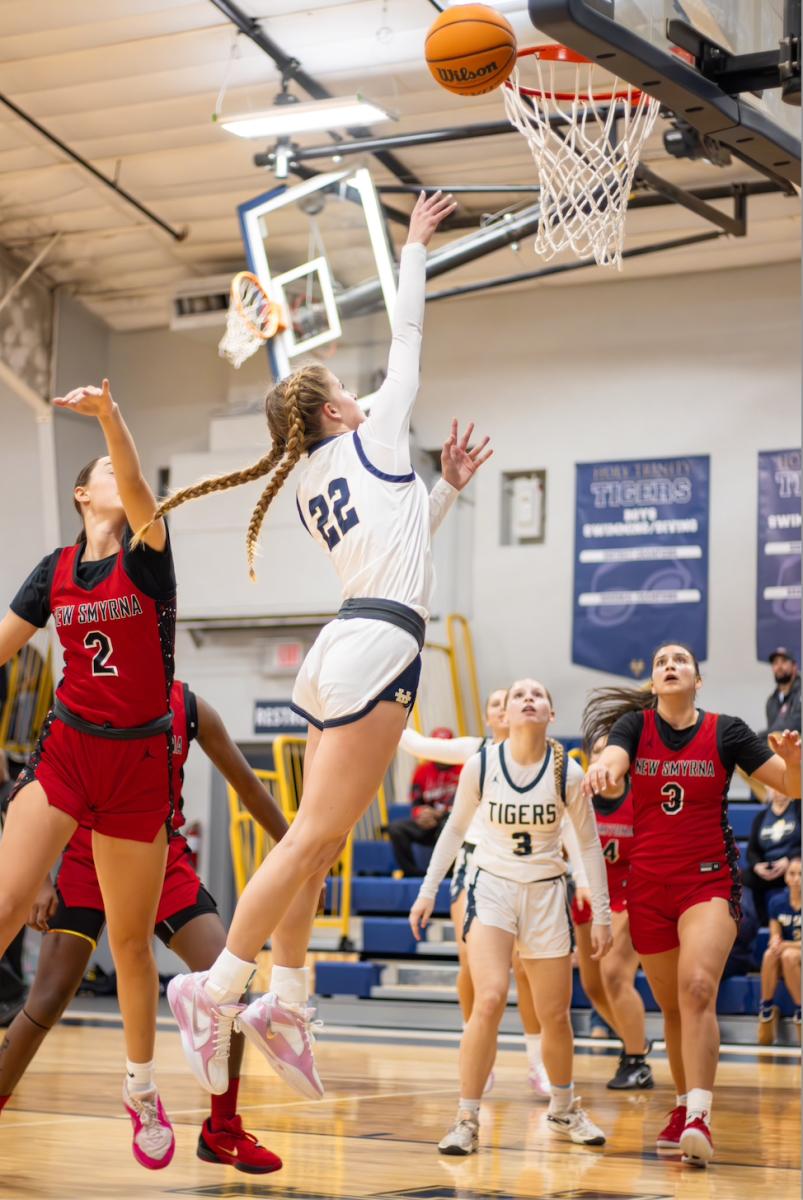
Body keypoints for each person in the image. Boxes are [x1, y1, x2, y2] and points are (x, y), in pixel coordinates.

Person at [133, 190, 492, 1101]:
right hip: (376, 644)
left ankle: (286, 1000)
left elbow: (399, 549)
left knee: (312, 840)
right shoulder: (367, 436)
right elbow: (406, 341)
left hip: (349, 634)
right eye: (345, 391)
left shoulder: (316, 477)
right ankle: (214, 992)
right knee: (313, 841)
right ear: (336, 412)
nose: (361, 396)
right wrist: (411, 248)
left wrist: (440, 489)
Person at [0, 382, 183, 1169]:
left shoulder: (149, 551)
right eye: (106, 466)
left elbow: (140, 486)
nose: (123, 474)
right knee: (7, 902)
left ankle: (141, 1088)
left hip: (138, 765)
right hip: (70, 750)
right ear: (82, 493)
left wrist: (112, 416)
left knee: (135, 946)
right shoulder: (54, 570)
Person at [0, 680, 289, 1173]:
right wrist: (43, 880)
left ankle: (221, 1129)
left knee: (230, 981)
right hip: (83, 859)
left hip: (159, 856)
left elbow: (249, 788)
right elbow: (26, 796)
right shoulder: (79, 699)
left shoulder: (191, 708)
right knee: (45, 1001)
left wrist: (299, 856)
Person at [582, 642, 801, 1168]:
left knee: (699, 988)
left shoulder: (727, 731)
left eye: (680, 660)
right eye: (661, 663)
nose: (670, 666)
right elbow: (613, 756)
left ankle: (700, 1115)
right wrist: (606, 770)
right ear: (654, 683)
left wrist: (793, 762)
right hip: (649, 887)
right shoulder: (634, 728)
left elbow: (790, 786)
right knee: (676, 1007)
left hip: (708, 882)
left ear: (697, 680)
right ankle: (682, 1108)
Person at [409, 679, 612, 1156]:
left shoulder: (570, 774)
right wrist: (428, 890)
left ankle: (563, 1109)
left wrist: (598, 912)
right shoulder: (481, 765)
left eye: (537, 694)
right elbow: (455, 829)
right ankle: (466, 1118)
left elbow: (586, 844)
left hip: (545, 894)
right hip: (491, 888)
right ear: (505, 713)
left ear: (550, 715)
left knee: (555, 1013)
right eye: (519, 693)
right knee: (491, 997)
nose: (526, 699)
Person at [399, 688, 554, 1098]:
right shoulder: (476, 751)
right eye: (495, 705)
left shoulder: (545, 759)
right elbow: (415, 744)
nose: (504, 709)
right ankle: (479, 1052)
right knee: (472, 965)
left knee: (525, 967)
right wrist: (391, 700)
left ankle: (537, 1062)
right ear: (490, 718)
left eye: (509, 701)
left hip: (526, 872)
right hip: (474, 867)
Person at [571, 735, 652, 1091]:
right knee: (593, 986)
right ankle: (634, 1041)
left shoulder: (641, 798)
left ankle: (636, 1061)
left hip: (628, 896)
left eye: (611, 750)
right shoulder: (578, 798)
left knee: (616, 975)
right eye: (597, 751)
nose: (605, 757)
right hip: (586, 899)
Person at [388, 728, 462, 877]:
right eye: (437, 746)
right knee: (396, 828)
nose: (441, 751)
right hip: (428, 823)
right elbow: (416, 802)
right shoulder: (422, 771)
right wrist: (421, 814)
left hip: (451, 821)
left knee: (448, 824)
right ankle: (411, 874)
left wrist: (440, 814)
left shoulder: (464, 767)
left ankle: (446, 874)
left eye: (445, 746)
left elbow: (468, 804)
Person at [742, 787, 801, 923]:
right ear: (768, 790)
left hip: (792, 865)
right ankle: (758, 921)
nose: (779, 791)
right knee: (743, 877)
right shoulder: (761, 817)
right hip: (769, 867)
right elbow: (752, 850)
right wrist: (757, 865)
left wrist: (790, 860)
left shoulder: (799, 808)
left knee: (796, 872)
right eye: (775, 788)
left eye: (782, 787)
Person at [758, 857, 801, 1045]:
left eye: (801, 874)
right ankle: (766, 1009)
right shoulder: (777, 902)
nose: (797, 878)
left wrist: (784, 946)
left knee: (789, 955)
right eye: (792, 874)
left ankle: (800, 1010)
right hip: (788, 954)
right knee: (770, 954)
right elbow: (775, 936)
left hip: (795, 953)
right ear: (786, 878)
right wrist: (776, 943)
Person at [764, 648, 801, 736]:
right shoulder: (771, 701)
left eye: (784, 661)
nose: (779, 666)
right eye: (775, 663)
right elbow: (773, 736)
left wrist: (763, 736)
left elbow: (796, 724)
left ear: (795, 668)